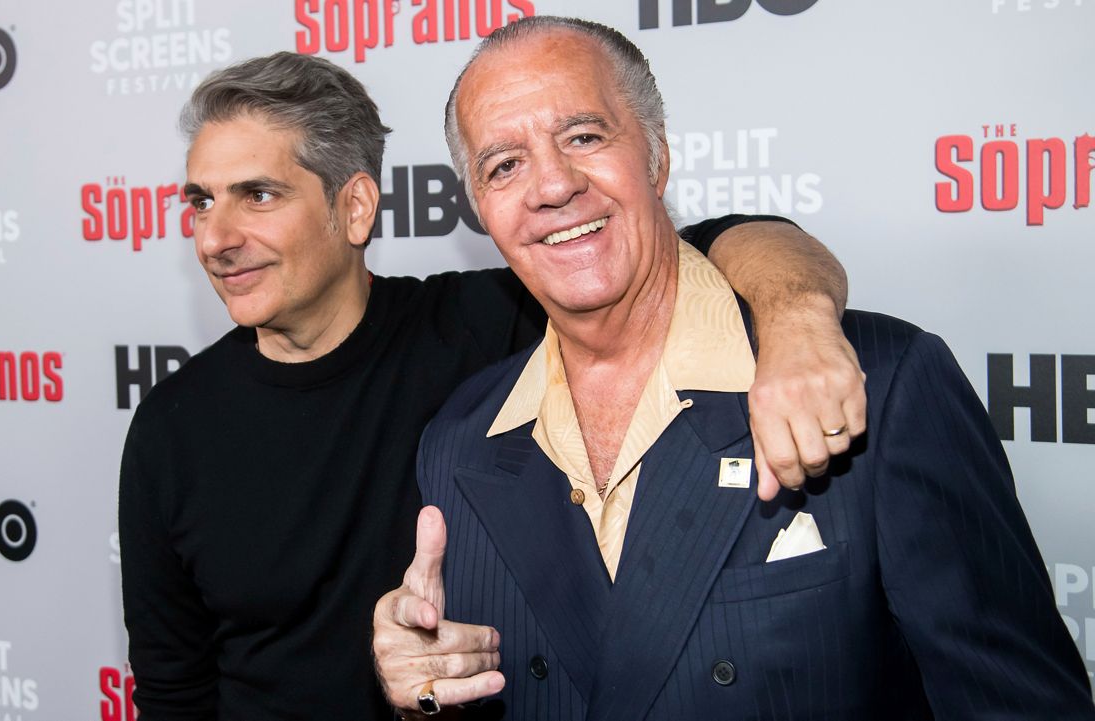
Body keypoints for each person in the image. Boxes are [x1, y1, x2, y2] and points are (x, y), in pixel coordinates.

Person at [372, 16, 1094, 720]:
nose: (553, 185)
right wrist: (426, 691)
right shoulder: (460, 440)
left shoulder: (884, 382)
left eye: (584, 136)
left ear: (657, 157)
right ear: (482, 209)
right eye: (505, 164)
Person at [119, 50, 865, 721]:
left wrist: (797, 318)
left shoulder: (496, 326)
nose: (215, 238)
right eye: (201, 201)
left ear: (354, 207)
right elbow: (174, 691)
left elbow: (705, 246)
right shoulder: (170, 427)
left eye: (257, 195)